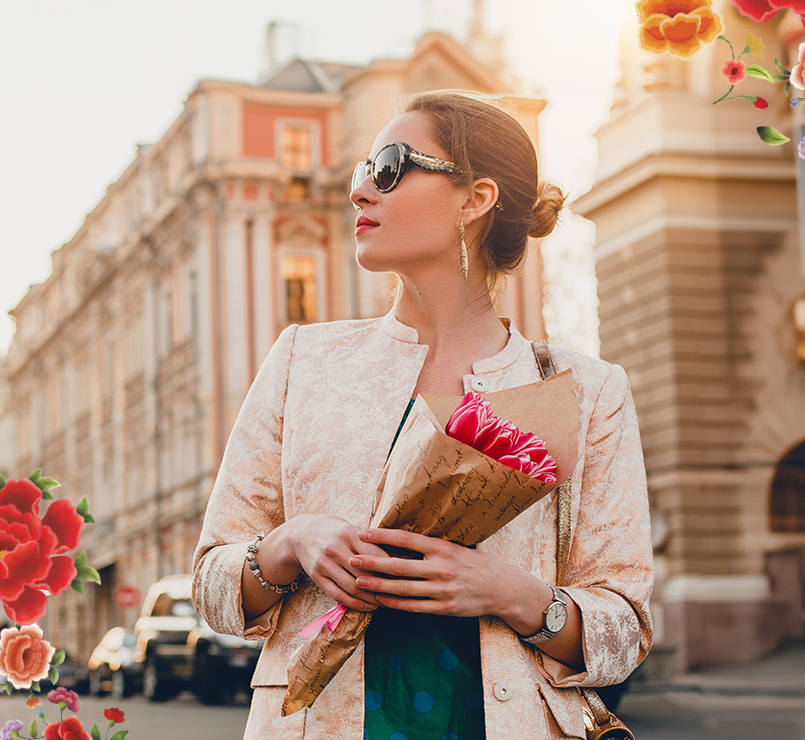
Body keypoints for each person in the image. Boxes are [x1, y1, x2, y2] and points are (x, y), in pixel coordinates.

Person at [191, 91, 653, 740]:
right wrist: (291, 544)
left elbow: (624, 632)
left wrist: (508, 592)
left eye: (389, 166)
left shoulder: (586, 391)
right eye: (361, 171)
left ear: (475, 198)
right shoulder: (302, 361)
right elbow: (211, 588)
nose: (360, 192)